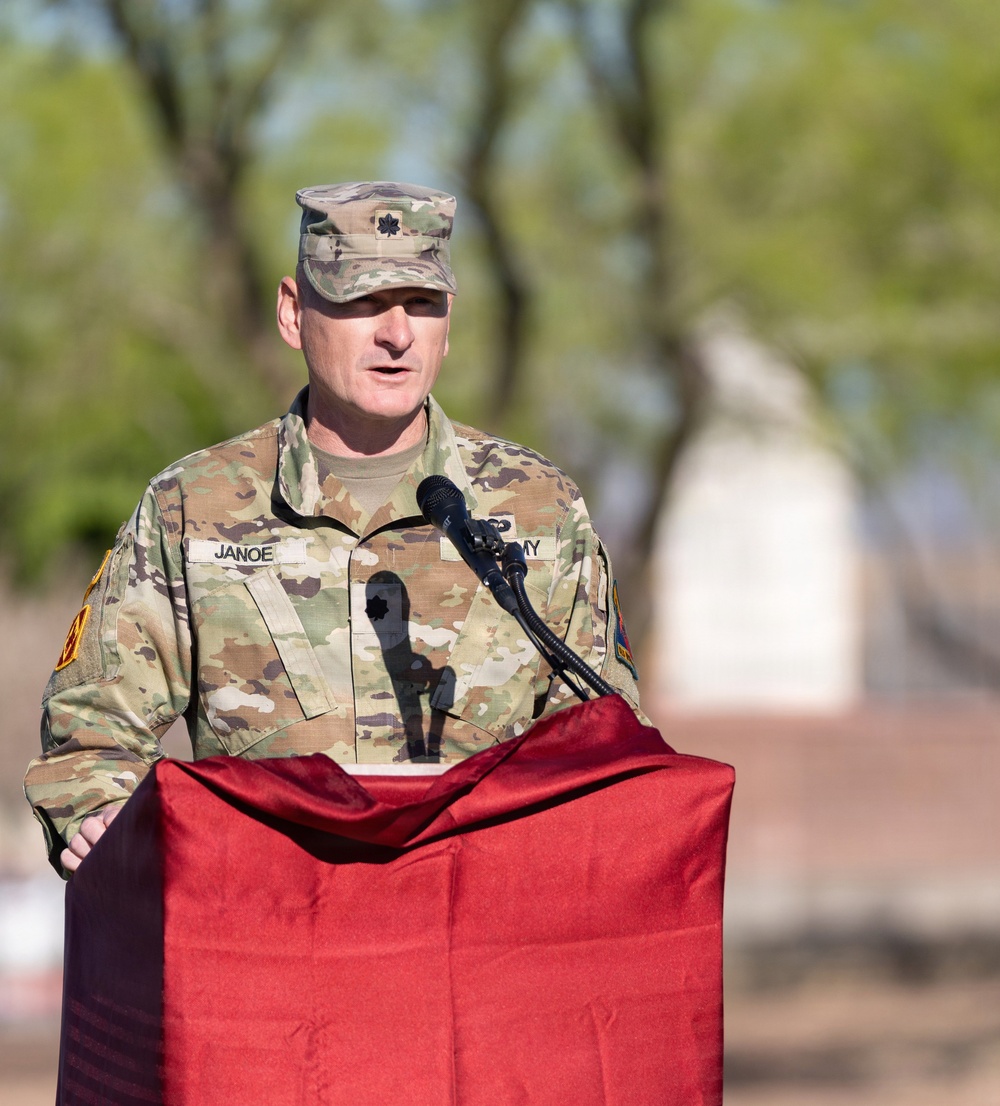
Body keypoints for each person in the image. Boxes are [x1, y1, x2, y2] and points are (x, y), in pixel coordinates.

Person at [24, 181, 642, 877]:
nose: (397, 334)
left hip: (473, 936)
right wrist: (106, 823)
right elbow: (91, 737)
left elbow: (605, 748)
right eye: (363, 302)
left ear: (450, 323)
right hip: (266, 931)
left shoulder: (539, 510)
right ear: (293, 313)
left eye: (423, 304)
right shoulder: (193, 508)